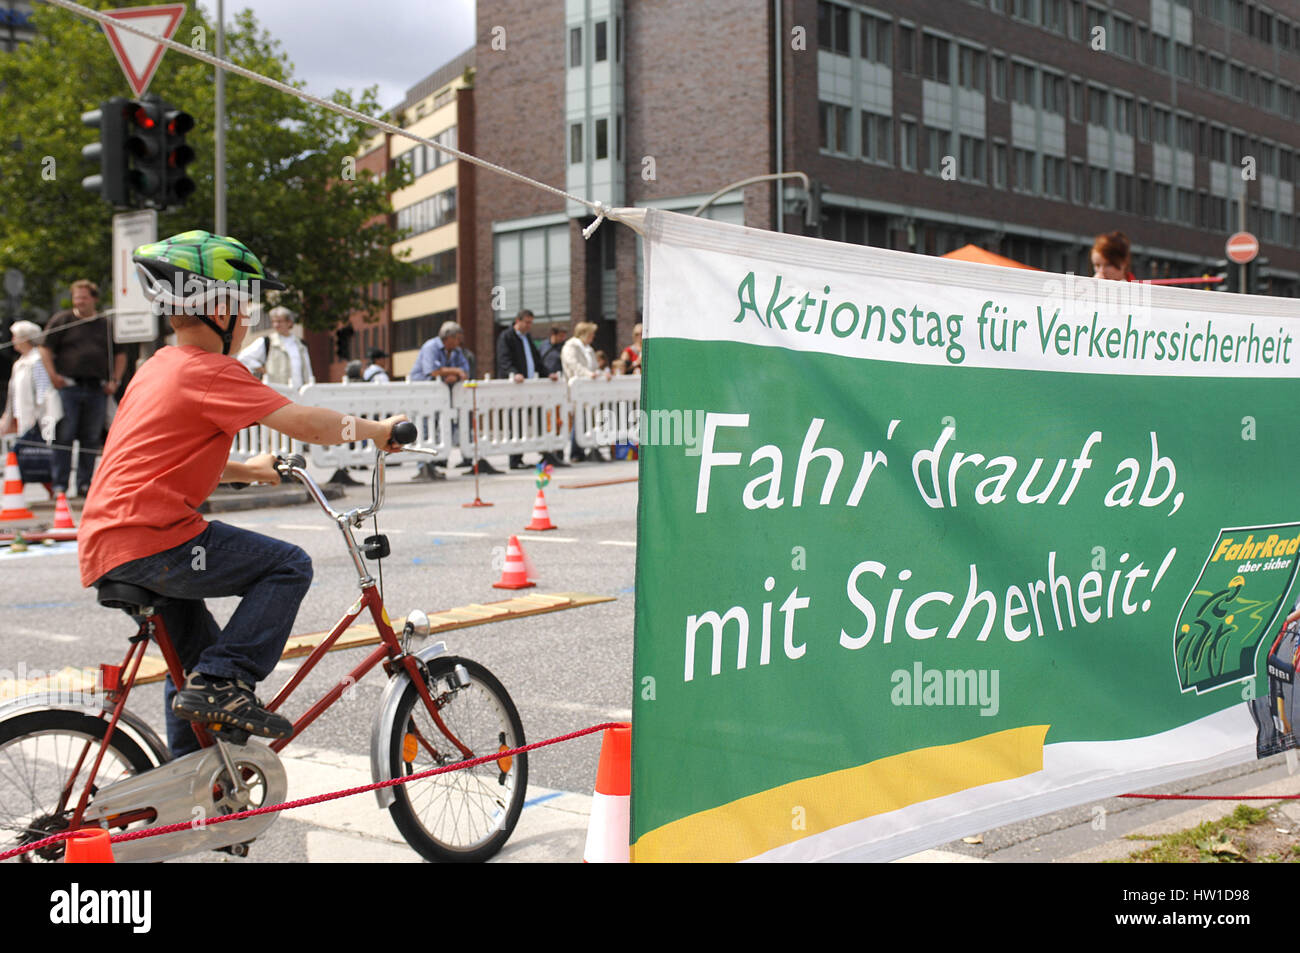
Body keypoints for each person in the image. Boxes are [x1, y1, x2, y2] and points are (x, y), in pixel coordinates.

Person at [78, 230, 407, 757]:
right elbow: (306, 423)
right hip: (154, 541)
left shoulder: (158, 367)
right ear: (220, 307)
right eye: (245, 305)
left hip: (111, 544)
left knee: (195, 661)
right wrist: (377, 430)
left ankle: (194, 787)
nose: (248, 318)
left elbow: (163, 461)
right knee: (287, 566)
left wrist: (251, 472)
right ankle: (224, 681)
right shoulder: (211, 371)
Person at [39, 280, 126, 498]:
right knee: (64, 436)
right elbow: (45, 348)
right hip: (68, 386)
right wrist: (53, 376)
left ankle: (84, 485)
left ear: (94, 298)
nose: (80, 301)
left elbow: (120, 354)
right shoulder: (62, 320)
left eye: (84, 297)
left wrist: (115, 380)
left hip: (97, 388)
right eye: (76, 297)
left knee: (91, 437)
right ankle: (60, 485)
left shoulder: (105, 324)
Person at [495, 309, 565, 469]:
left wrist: (548, 374)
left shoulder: (527, 338)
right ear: (517, 321)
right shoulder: (507, 337)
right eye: (526, 322)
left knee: (537, 419)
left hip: (530, 386)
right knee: (517, 422)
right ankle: (515, 459)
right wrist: (513, 373)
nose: (529, 326)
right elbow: (504, 359)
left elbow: (536, 361)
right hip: (516, 387)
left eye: (531, 323)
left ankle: (545, 453)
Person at [1, 321, 62, 494]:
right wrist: (8, 417)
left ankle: (47, 490)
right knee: (28, 454)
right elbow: (13, 395)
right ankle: (38, 491)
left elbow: (44, 390)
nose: (13, 340)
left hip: (36, 418)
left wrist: (41, 418)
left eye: (16, 336)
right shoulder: (20, 363)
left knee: (30, 454)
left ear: (26, 338)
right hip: (23, 417)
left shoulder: (37, 361)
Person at [237, 305, 315, 390]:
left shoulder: (300, 344)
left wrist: (309, 387)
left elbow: (308, 369)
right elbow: (243, 357)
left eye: (279, 321)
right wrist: (263, 369)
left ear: (289, 322)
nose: (276, 325)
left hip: (299, 392)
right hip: (276, 391)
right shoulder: (267, 341)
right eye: (273, 322)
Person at [562, 322, 609, 463]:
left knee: (588, 418)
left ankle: (590, 449)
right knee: (579, 418)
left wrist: (601, 374)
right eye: (591, 334)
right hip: (577, 388)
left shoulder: (588, 348)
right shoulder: (571, 346)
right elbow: (573, 364)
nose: (593, 337)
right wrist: (588, 374)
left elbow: (594, 367)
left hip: (588, 390)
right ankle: (576, 452)